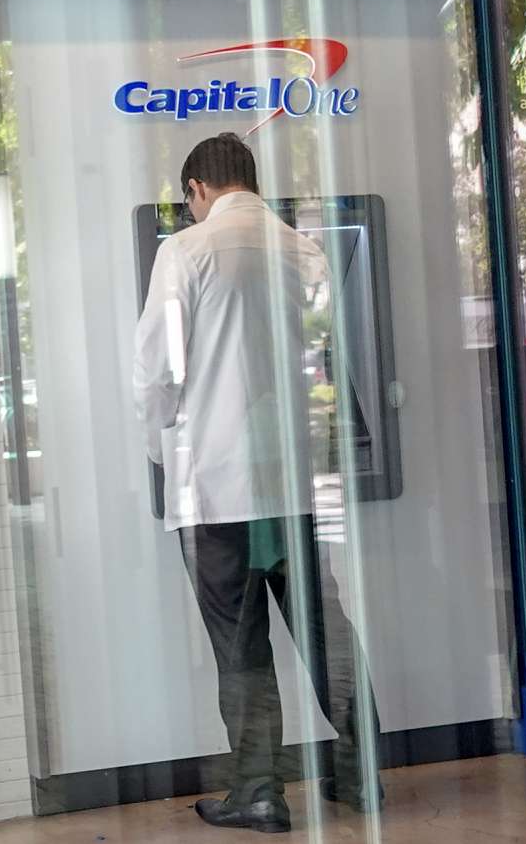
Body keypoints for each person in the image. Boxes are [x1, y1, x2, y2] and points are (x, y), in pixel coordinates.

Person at [133, 133, 382, 832]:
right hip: (292, 485)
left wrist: (162, 449)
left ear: (196, 193)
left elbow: (156, 373)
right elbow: (329, 366)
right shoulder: (305, 251)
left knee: (240, 647)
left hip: (213, 490)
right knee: (323, 630)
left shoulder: (184, 251)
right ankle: (362, 776)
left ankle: (260, 791)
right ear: (248, 180)